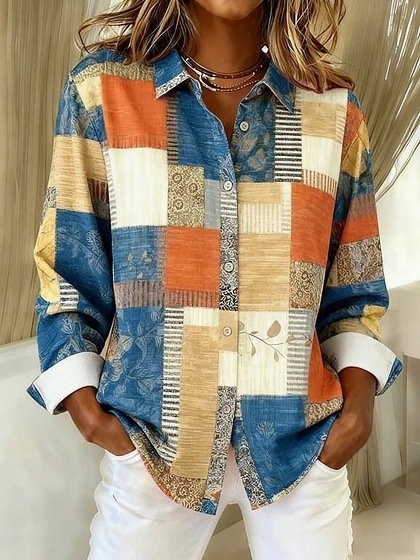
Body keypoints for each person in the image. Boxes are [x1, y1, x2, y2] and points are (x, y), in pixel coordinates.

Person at [27, 0, 403, 558]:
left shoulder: (332, 109)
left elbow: (355, 284)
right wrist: (86, 408)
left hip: (302, 447)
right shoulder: (102, 93)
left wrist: (358, 412)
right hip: (153, 447)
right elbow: (69, 266)